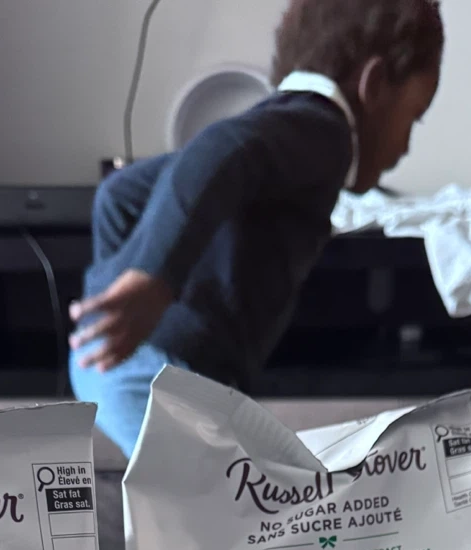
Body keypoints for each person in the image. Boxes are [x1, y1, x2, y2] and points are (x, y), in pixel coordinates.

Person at [69, 0, 444, 460]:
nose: (405, 146)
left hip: (120, 364)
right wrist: (151, 279)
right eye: (414, 117)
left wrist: (112, 300)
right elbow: (221, 148)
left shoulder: (288, 122)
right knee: (224, 497)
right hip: (169, 372)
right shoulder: (326, 131)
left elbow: (121, 191)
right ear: (376, 84)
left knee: (193, 489)